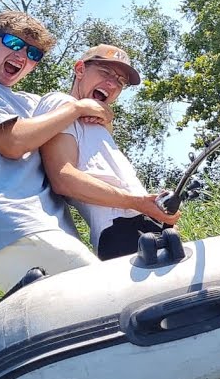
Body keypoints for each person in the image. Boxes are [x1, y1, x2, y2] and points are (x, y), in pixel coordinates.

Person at [0, 11, 114, 292]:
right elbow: (12, 143)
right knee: (111, 294)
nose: (23, 56)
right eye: (15, 44)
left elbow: (80, 152)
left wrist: (99, 113)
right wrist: (76, 108)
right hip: (11, 221)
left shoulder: (32, 105)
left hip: (48, 229)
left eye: (34, 54)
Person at [37, 44, 180, 260]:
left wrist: (160, 215)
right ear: (80, 69)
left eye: (120, 82)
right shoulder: (63, 103)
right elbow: (63, 177)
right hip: (120, 231)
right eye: (105, 73)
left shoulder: (97, 123)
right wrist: (137, 202)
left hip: (146, 227)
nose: (112, 84)